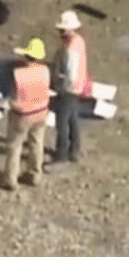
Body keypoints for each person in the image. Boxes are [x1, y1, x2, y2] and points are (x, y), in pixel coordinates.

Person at [4, 38, 51, 190]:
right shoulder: (45, 71)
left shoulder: (18, 74)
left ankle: (10, 179)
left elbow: (12, 95)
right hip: (41, 112)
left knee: (15, 146)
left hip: (22, 115)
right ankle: (35, 174)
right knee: (37, 143)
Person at [51, 10, 91, 163]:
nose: (60, 32)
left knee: (62, 122)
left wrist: (58, 84)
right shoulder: (78, 41)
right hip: (78, 86)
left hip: (68, 88)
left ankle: (61, 154)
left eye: (62, 29)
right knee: (73, 120)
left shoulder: (69, 49)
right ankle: (75, 150)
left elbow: (70, 72)